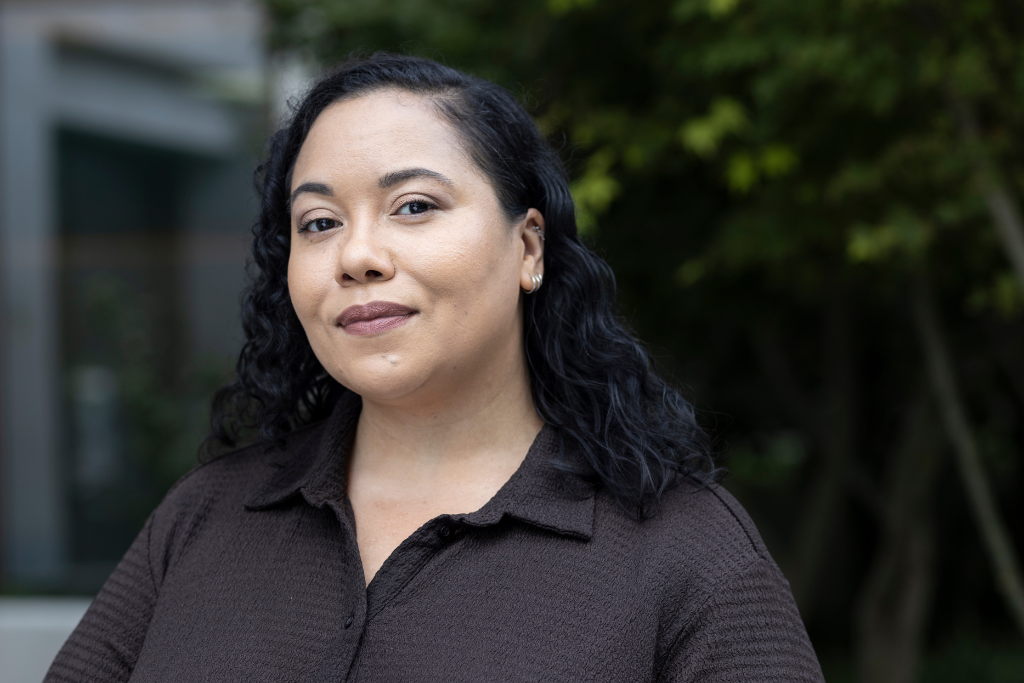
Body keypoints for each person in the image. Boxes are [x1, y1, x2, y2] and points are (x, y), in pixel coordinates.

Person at [46, 53, 824, 682]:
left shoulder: (681, 549)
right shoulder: (206, 516)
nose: (356, 255)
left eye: (414, 206)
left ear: (528, 247)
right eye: (318, 222)